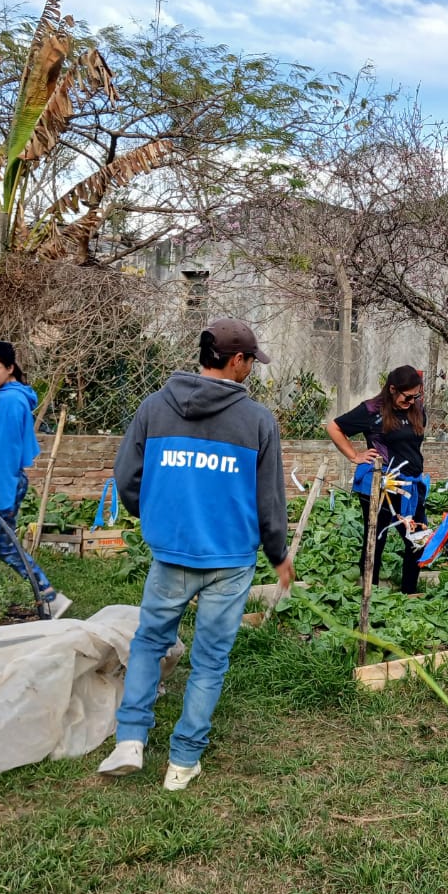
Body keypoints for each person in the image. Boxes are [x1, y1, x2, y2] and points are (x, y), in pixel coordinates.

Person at [98, 318, 294, 791]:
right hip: (230, 561)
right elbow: (268, 500)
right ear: (236, 360)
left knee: (149, 642)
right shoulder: (257, 421)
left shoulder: (154, 408)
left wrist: (159, 518)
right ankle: (183, 762)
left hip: (172, 554)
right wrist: (278, 553)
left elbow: (126, 479)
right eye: (251, 360)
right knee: (209, 660)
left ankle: (130, 739)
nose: (251, 369)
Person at [0, 340, 70, 619]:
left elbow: (7, 452)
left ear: (10, 368)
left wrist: (3, 496)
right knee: (2, 544)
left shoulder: (9, 400)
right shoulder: (7, 395)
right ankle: (47, 596)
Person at [325, 366, 429, 594]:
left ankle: (409, 594)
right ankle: (369, 597)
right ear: (392, 389)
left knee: (418, 539)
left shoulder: (417, 409)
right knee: (375, 541)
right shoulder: (372, 410)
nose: (412, 401)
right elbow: (334, 427)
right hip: (380, 486)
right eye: (408, 396)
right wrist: (354, 455)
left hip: (411, 486)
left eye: (416, 396)